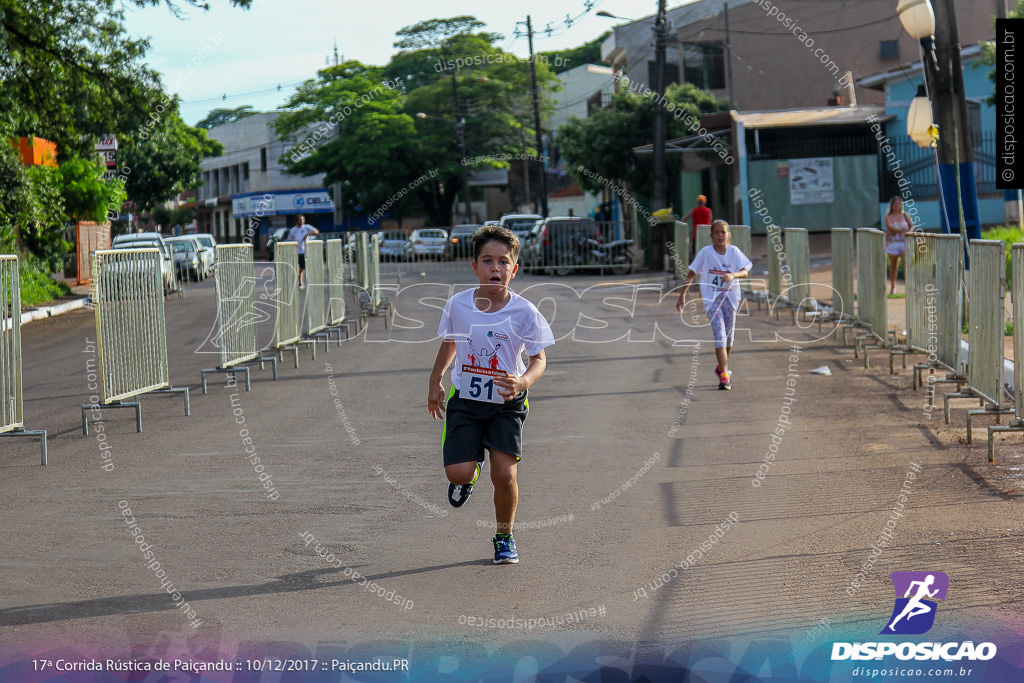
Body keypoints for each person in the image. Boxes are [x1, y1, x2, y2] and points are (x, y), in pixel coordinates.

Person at [427, 225, 554, 564]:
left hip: (505, 403)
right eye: (487, 261)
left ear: (514, 269)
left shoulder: (526, 312)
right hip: (466, 401)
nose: (495, 268)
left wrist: (523, 382)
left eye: (503, 262)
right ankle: (469, 476)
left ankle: (504, 537)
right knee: (458, 473)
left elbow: (539, 358)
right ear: (475, 267)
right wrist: (435, 380)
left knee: (505, 475)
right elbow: (450, 341)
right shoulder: (458, 305)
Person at [675, 219, 752, 390]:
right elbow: (691, 273)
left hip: (730, 299)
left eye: (723, 232)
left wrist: (733, 275)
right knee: (720, 335)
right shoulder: (705, 253)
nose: (720, 236)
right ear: (711, 236)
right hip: (712, 301)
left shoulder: (734, 252)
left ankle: (721, 367)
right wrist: (682, 295)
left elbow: (745, 271)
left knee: (729, 337)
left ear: (728, 235)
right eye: (716, 233)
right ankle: (725, 377)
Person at [884, 196, 912, 295]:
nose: (897, 205)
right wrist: (902, 230)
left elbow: (911, 226)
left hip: (904, 242)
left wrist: (909, 232)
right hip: (893, 243)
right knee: (893, 265)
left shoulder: (905, 215)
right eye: (895, 204)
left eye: (898, 203)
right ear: (892, 205)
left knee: (906, 264)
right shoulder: (888, 217)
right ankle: (893, 287)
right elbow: (890, 228)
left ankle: (908, 286)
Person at [286, 215, 319, 289]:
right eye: (300, 220)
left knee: (302, 267)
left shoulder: (306, 227)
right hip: (295, 251)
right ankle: (300, 282)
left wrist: (307, 234)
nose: (301, 221)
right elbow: (289, 240)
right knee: (295, 267)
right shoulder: (293, 230)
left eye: (303, 220)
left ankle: (299, 279)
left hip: (303, 251)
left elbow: (316, 231)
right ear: (296, 221)